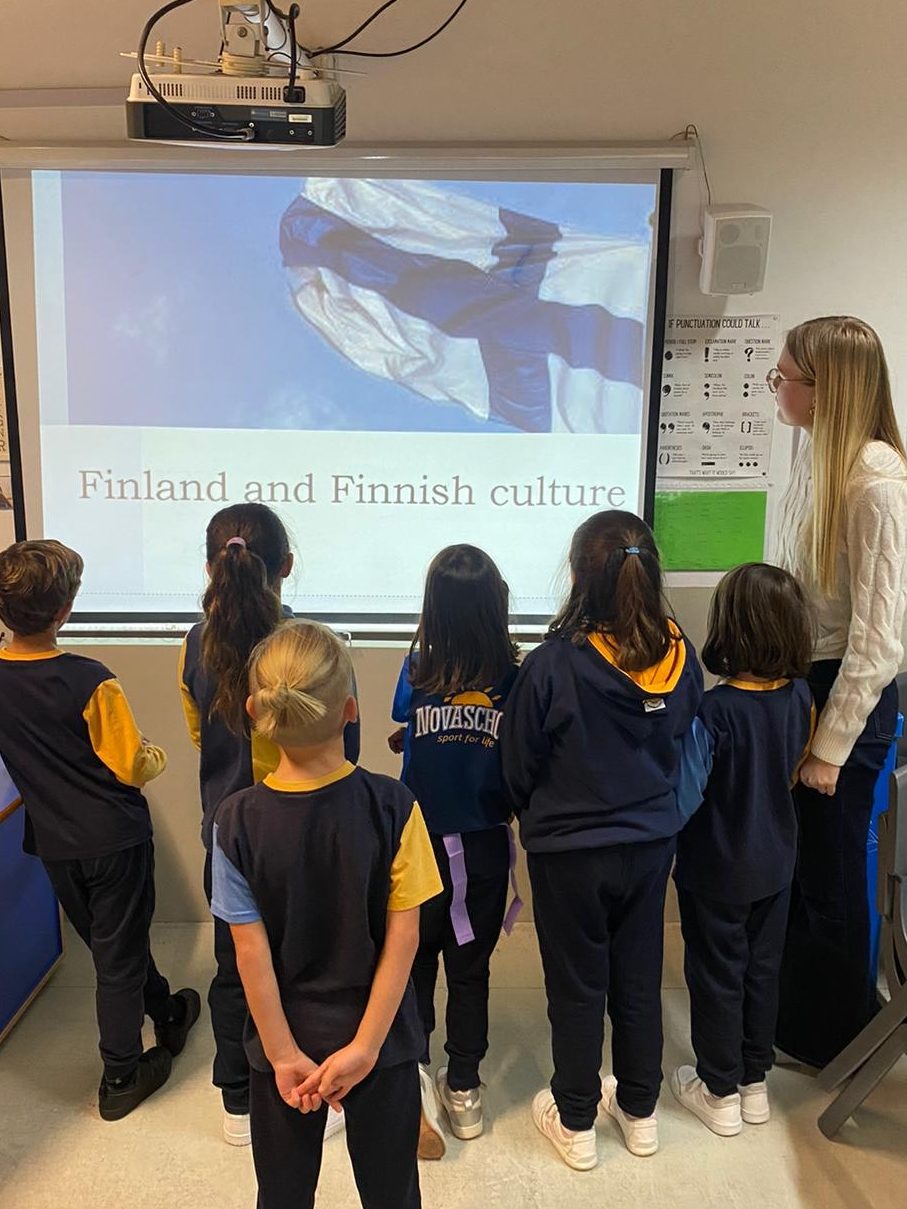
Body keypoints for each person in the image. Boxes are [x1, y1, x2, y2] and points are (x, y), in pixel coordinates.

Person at [210, 620, 442, 1209]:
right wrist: (364, 1047)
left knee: (282, 1195)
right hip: (382, 1042)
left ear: (255, 711)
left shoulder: (234, 822)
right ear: (351, 710)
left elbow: (249, 952)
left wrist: (285, 1054)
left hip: (281, 1044)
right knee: (393, 1194)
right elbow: (405, 939)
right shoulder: (395, 806)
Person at [502, 510, 703, 1170]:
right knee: (638, 980)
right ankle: (640, 1113)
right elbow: (682, 739)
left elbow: (517, 765)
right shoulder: (678, 653)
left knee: (577, 987)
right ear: (652, 573)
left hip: (567, 856)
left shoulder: (552, 665)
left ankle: (579, 1121)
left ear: (578, 576)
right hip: (649, 847)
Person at [179, 502, 359, 1144]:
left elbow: (198, 728)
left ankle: (238, 1096)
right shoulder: (313, 648)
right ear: (285, 566)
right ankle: (319, 1084)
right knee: (309, 966)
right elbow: (347, 747)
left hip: (229, 836)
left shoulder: (194, 644)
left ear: (211, 566)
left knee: (235, 968)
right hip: (306, 836)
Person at [0, 540, 199, 1120]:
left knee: (113, 941)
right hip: (114, 839)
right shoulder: (91, 679)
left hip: (56, 843)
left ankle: (163, 1010)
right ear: (64, 611)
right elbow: (131, 764)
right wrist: (158, 756)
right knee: (115, 957)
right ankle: (120, 1074)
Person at [770, 316, 907, 1067]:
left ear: (827, 389)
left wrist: (828, 746)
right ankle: (798, 1021)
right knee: (802, 865)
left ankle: (834, 1037)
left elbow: (878, 641)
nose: (777, 390)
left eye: (785, 377)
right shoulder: (822, 458)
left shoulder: (875, 483)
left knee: (828, 873)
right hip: (812, 683)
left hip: (849, 699)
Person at [671, 563, 814, 1135]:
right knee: (762, 970)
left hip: (715, 870)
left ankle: (719, 1090)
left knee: (716, 974)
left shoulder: (713, 711)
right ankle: (755, 1083)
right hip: (776, 863)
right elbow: (795, 770)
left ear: (729, 626)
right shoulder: (801, 696)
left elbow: (684, 797)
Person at [388, 544, 520, 1158]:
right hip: (484, 852)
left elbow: (405, 726)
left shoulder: (415, 668)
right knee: (471, 971)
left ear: (431, 608)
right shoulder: (514, 676)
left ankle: (413, 1081)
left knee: (413, 968)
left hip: (417, 853)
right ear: (497, 605)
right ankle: (462, 1088)